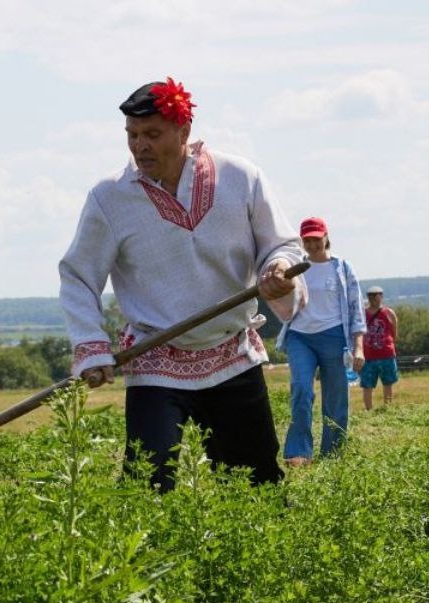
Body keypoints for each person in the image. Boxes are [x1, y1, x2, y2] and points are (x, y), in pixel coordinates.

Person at [58, 76, 303, 492]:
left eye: (152, 134)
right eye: (132, 135)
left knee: (255, 485)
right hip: (156, 360)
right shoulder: (109, 198)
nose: (140, 146)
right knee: (148, 485)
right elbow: (78, 276)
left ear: (184, 131)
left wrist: (276, 268)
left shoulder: (240, 177)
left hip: (232, 354)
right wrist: (91, 346)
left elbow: (281, 245)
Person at [270, 217, 365, 466]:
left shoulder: (342, 268)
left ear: (326, 237)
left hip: (334, 337)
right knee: (301, 388)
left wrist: (358, 347)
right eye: (307, 240)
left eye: (316, 238)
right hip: (300, 337)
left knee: (335, 398)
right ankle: (298, 453)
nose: (312, 244)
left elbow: (356, 310)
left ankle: (332, 453)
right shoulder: (295, 268)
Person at [361, 285, 399, 409]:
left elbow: (394, 333)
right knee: (367, 385)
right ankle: (368, 411)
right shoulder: (362, 313)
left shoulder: (389, 312)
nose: (372, 298)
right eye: (370, 295)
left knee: (388, 383)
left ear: (381, 296)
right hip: (368, 355)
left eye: (375, 295)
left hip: (386, 354)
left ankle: (387, 408)